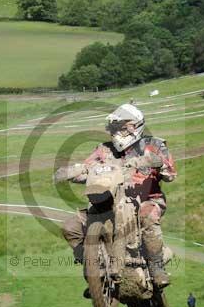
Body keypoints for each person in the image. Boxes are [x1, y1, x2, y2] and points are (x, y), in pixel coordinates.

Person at [55, 103, 177, 289]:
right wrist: (71, 173)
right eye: (115, 127)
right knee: (71, 227)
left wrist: (158, 163)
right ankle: (93, 269)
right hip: (109, 200)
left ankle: (156, 267)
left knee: (147, 215)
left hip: (146, 199)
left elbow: (170, 174)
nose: (117, 132)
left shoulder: (154, 145)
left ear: (135, 126)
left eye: (122, 127)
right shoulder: (104, 149)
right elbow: (87, 167)